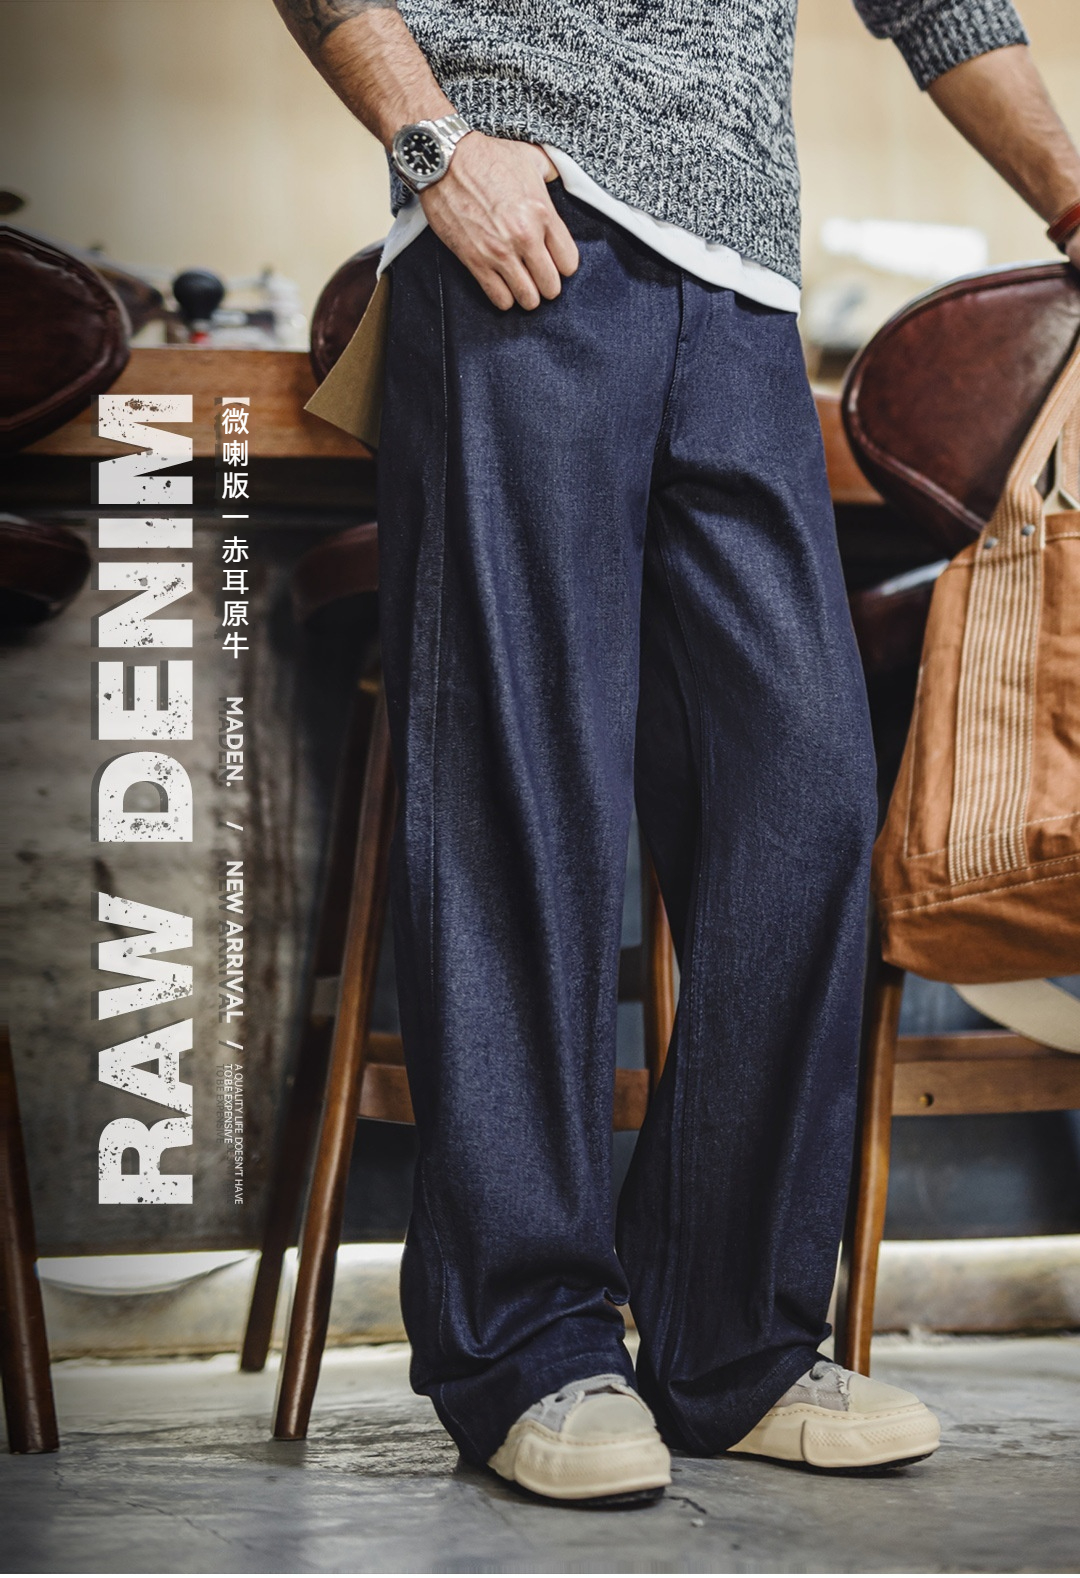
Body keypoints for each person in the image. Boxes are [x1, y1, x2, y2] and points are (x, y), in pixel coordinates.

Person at [275, 0, 1080, 1504]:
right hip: (523, 228)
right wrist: (434, 146)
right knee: (529, 794)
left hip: (743, 290)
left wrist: (1073, 196)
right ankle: (526, 1346)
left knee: (807, 796)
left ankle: (734, 1345)